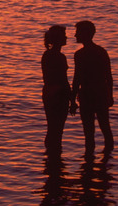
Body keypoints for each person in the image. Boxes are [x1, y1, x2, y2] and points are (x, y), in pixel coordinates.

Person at [70, 20, 114, 159]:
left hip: (90, 95)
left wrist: (72, 100)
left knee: (90, 132)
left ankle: (91, 160)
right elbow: (109, 77)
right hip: (97, 93)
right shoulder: (101, 51)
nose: (75, 35)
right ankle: (106, 160)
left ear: (86, 34)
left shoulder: (81, 54)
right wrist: (110, 95)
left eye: (78, 32)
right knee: (104, 128)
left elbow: (77, 79)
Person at [41, 25, 71, 158]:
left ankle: (51, 157)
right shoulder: (58, 57)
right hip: (58, 95)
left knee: (52, 127)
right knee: (57, 129)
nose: (66, 37)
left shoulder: (47, 55)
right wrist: (71, 97)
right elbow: (63, 80)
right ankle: (54, 156)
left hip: (48, 93)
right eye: (64, 35)